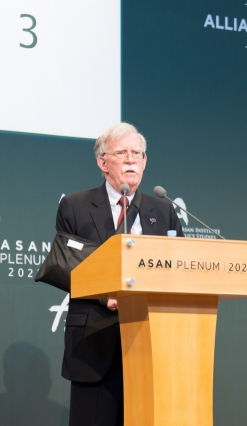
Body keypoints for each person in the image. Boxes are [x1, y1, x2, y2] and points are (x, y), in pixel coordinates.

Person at [56, 122, 184, 426]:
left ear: (145, 162)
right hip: (95, 345)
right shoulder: (74, 206)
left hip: (150, 344)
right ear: (103, 163)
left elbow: (180, 266)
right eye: (122, 153)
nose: (131, 160)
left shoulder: (163, 210)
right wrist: (107, 295)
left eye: (137, 153)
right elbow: (66, 264)